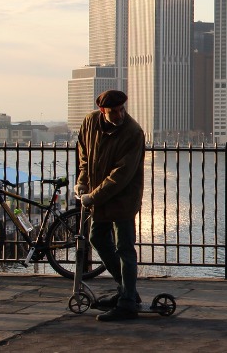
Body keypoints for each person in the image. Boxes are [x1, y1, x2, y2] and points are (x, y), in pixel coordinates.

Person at [76, 90, 146, 322]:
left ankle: (127, 304)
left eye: (122, 110)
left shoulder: (133, 132)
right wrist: (82, 182)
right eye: (114, 111)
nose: (119, 115)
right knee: (97, 238)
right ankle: (127, 291)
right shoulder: (89, 122)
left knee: (125, 248)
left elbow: (121, 175)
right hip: (100, 196)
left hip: (123, 198)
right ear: (102, 111)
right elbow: (84, 155)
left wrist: (92, 197)